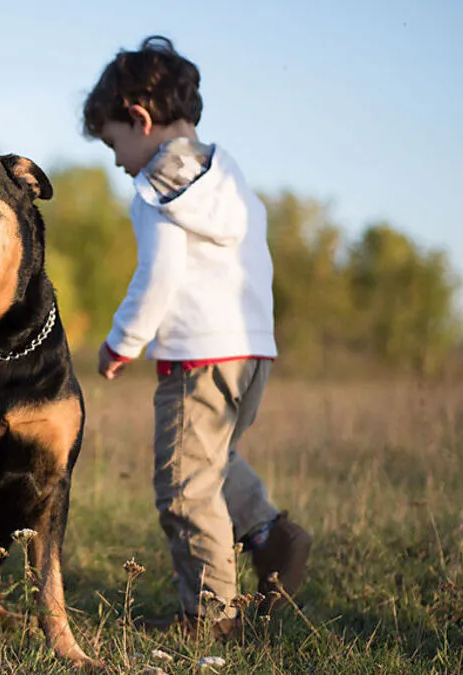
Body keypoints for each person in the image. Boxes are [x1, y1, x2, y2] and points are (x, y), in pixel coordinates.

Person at [81, 35, 312, 637]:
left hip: (199, 355)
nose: (116, 160)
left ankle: (210, 616)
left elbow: (158, 274)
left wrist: (122, 340)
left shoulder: (157, 190)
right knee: (210, 463)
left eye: (113, 142)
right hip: (252, 350)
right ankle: (269, 534)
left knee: (184, 489)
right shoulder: (225, 175)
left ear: (139, 118)